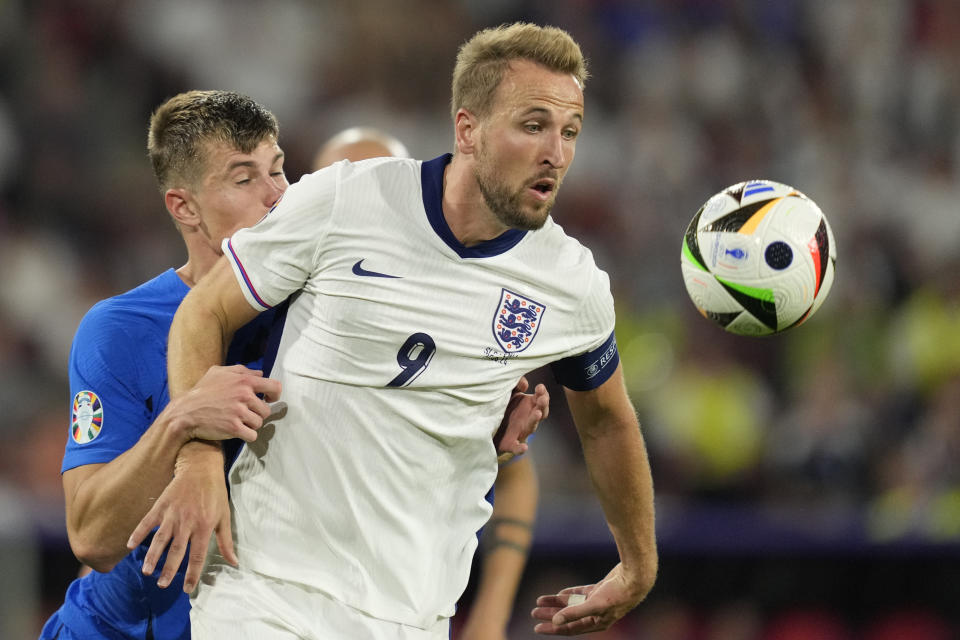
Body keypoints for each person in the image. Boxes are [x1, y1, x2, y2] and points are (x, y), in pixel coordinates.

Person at [138, 22, 657, 638]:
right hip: (266, 590)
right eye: (533, 125)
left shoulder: (570, 282)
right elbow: (205, 312)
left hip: (413, 613)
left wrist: (638, 566)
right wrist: (196, 458)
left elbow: (606, 419)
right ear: (467, 129)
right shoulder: (346, 199)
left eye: (570, 131)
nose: (558, 153)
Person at [41, 90, 546, 640]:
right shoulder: (121, 329)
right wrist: (181, 424)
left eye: (279, 170)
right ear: (184, 207)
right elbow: (91, 536)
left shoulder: (335, 310)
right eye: (243, 179)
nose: (277, 196)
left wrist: (478, 441)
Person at [312, 127, 539, 640]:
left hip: (402, 605)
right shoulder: (270, 298)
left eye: (384, 182)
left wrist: (490, 614)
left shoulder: (452, 314)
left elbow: (516, 474)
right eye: (347, 184)